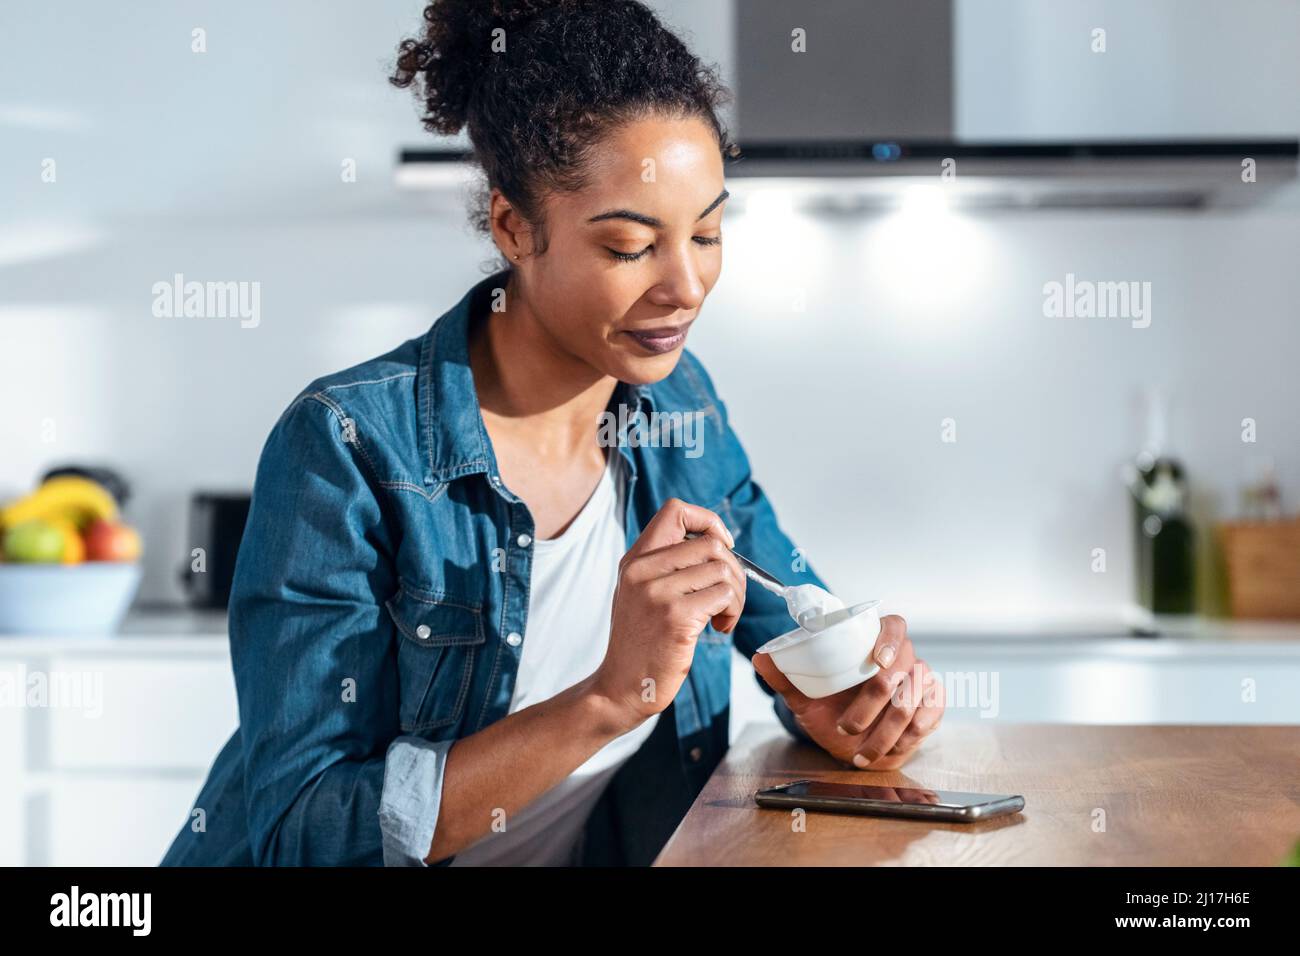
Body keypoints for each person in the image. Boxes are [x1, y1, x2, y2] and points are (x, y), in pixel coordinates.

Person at [161, 0, 944, 868]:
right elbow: (304, 833)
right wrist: (610, 698)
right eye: (628, 246)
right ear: (514, 229)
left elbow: (789, 628)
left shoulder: (681, 412)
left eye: (708, 232)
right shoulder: (347, 447)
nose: (685, 286)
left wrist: (841, 699)